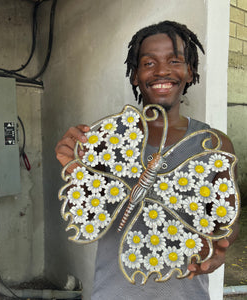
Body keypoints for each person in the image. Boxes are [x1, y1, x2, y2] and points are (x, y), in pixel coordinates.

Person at [55, 20, 239, 299]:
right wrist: (76, 171)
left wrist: (219, 247)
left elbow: (226, 216)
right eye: (149, 63)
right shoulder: (106, 139)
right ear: (135, 75)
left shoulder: (213, 145)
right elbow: (92, 215)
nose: (162, 70)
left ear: (190, 72)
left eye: (175, 61)